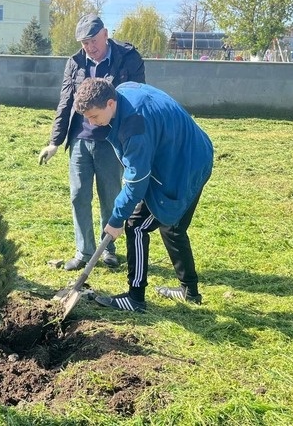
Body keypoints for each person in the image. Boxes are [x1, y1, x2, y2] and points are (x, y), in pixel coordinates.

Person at [72, 78, 213, 313]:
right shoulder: (123, 92)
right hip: (194, 154)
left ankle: (135, 298)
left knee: (136, 226)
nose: (91, 123)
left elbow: (136, 181)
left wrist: (116, 220)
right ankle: (190, 292)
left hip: (183, 166)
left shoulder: (133, 126)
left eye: (94, 116)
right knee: (173, 227)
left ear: (109, 103)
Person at [38, 14, 145, 271]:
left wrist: (132, 140)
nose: (89, 47)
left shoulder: (128, 59)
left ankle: (107, 248)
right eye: (84, 43)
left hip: (111, 140)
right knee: (78, 195)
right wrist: (55, 141)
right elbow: (65, 102)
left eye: (93, 40)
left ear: (105, 34)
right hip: (79, 139)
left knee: (110, 195)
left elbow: (137, 96)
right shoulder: (75, 62)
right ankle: (84, 250)